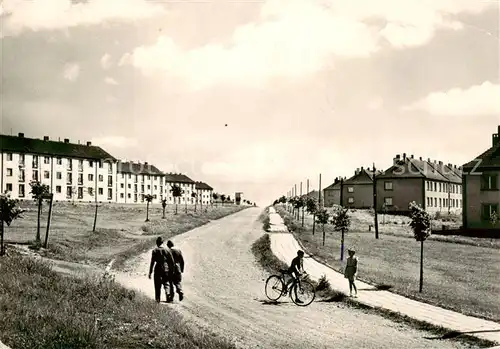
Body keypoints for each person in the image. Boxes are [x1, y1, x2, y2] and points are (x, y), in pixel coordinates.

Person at [148, 236, 175, 303]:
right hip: (166, 269)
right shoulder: (167, 250)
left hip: (158, 269)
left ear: (157, 243)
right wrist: (172, 271)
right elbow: (172, 262)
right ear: (163, 242)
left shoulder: (155, 250)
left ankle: (157, 300)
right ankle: (168, 294)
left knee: (157, 285)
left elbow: (152, 262)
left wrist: (150, 272)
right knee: (166, 283)